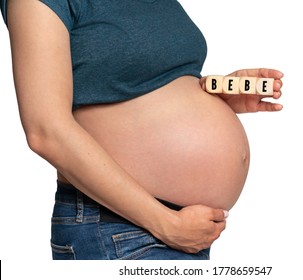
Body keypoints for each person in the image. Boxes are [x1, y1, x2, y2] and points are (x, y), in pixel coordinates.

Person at [0, 0, 283, 260]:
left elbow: (142, 82)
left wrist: (215, 95)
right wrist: (165, 223)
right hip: (124, 229)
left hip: (175, 231)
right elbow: (45, 131)